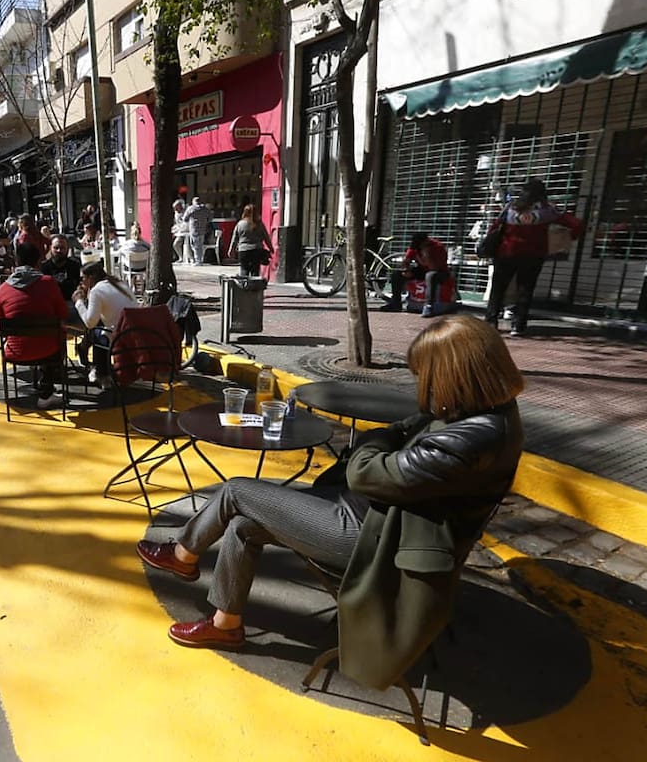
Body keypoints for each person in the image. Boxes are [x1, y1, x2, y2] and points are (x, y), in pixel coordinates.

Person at [136, 315, 525, 660]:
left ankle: (183, 555)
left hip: (375, 539)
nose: (424, 384)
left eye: (427, 375)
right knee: (243, 524)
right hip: (380, 518)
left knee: (237, 490)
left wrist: (374, 444)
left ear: (457, 374)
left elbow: (367, 473)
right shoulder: (483, 416)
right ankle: (225, 624)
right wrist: (385, 440)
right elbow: (397, 437)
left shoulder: (471, 437)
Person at [485, 178, 585, 336]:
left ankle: (491, 321)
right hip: (533, 255)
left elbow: (494, 227)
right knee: (525, 290)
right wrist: (568, 237)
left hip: (506, 253)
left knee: (498, 289)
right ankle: (518, 325)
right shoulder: (548, 210)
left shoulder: (511, 208)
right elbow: (577, 224)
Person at [0, 242, 69, 410]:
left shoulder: (1, 290)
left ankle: (44, 387)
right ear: (38, 262)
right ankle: (46, 392)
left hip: (15, 351)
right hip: (49, 350)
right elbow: (63, 313)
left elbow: (0, 327)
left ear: (16, 261)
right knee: (55, 336)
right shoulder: (48, 283)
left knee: (39, 338)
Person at [73, 260, 139, 384]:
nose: (81, 282)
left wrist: (79, 302)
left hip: (118, 336)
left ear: (91, 277)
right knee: (99, 328)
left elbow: (89, 322)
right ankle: (89, 358)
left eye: (83, 278)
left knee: (96, 331)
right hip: (134, 331)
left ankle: (100, 372)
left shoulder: (97, 291)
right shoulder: (119, 283)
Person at [381, 231, 450, 317]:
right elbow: (406, 261)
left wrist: (426, 253)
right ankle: (396, 303)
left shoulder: (438, 247)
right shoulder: (415, 247)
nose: (418, 249)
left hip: (439, 272)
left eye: (420, 246)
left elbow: (434, 267)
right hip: (422, 270)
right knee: (397, 275)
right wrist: (406, 270)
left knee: (430, 276)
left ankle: (428, 306)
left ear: (425, 242)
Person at [227, 203, 271, 276]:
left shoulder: (240, 224)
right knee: (255, 271)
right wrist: (271, 248)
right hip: (257, 250)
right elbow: (266, 237)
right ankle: (254, 282)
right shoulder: (259, 224)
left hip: (243, 250)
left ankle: (244, 282)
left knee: (244, 270)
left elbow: (234, 238)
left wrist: (231, 250)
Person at [41, 234, 81, 302]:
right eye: (56, 248)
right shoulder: (43, 267)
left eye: (62, 248)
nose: (59, 250)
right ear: (50, 248)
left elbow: (80, 285)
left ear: (67, 249)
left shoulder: (75, 266)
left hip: (70, 301)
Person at [183, 196, 213, 265]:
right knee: (200, 245)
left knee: (195, 245)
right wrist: (206, 221)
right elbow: (210, 217)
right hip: (203, 229)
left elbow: (185, 219)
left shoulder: (191, 208)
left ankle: (198, 261)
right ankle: (200, 259)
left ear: (193, 202)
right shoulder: (205, 209)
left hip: (194, 229)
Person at [171, 198, 190, 262]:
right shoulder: (176, 213)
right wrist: (175, 229)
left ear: (180, 206)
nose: (175, 209)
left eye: (176, 208)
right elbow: (177, 223)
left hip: (188, 231)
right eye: (174, 208)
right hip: (180, 231)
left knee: (188, 245)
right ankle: (180, 257)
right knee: (175, 244)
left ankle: (190, 258)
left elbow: (186, 223)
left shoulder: (186, 212)